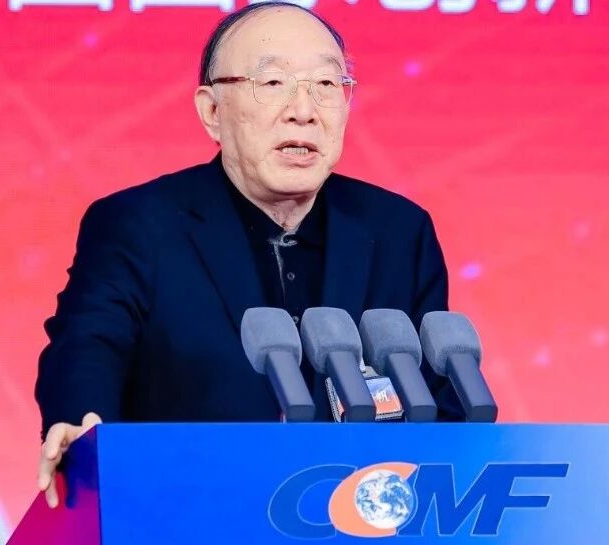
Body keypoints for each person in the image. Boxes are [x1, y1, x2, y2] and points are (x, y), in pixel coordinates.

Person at [34, 1, 459, 508]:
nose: (304, 110)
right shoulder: (140, 224)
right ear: (212, 112)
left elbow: (441, 397)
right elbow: (87, 344)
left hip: (363, 517)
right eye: (273, 82)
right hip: (186, 510)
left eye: (327, 84)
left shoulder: (397, 231)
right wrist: (82, 423)